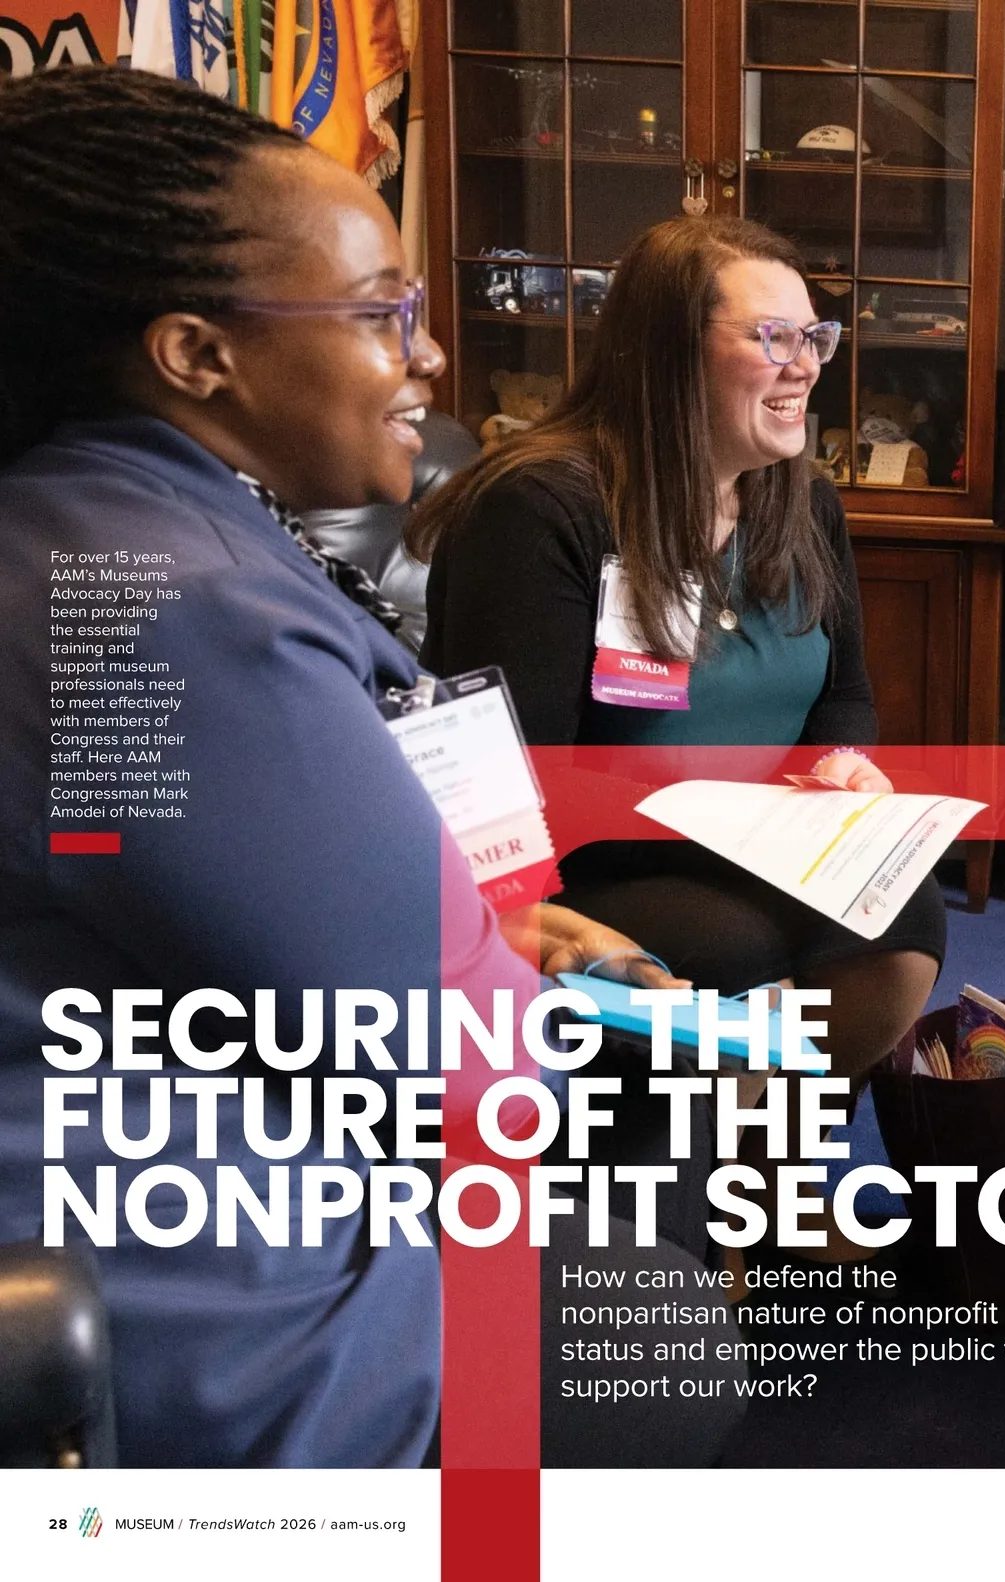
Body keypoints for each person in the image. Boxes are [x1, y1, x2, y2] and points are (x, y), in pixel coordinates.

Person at [0, 68, 736, 1470]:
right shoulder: (170, 609)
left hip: (153, 1163)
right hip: (189, 1300)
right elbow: (459, 1064)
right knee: (653, 1325)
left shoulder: (92, 523)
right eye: (381, 312)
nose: (432, 354)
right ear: (195, 353)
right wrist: (518, 979)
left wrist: (481, 937)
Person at [413, 217, 947, 1242]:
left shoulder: (802, 498)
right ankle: (674, 1213)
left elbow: (844, 695)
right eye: (772, 338)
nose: (806, 367)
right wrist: (721, 817)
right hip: (580, 867)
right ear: (669, 352)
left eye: (815, 338)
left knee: (899, 921)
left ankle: (764, 1172)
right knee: (736, 941)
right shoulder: (544, 509)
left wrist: (844, 768)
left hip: (752, 840)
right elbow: (507, 777)